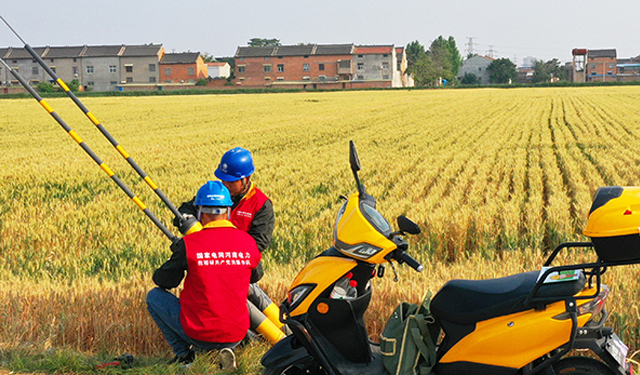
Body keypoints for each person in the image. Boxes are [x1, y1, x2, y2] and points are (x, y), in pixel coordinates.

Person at [147, 180, 261, 368]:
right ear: (228, 211)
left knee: (154, 296)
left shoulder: (190, 244)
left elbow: (164, 281)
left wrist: (179, 254)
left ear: (199, 212)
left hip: (198, 333)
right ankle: (223, 353)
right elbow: (255, 276)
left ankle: (186, 356)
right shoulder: (247, 242)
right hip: (236, 334)